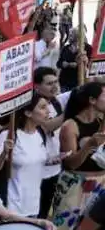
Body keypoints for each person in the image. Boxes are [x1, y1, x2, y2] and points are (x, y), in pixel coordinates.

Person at [53, 82, 105, 230]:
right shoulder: (70, 126)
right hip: (74, 183)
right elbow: (71, 162)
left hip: (100, 182)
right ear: (92, 101)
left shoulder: (102, 121)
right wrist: (90, 146)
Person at [0, 95, 52, 217]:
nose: (48, 111)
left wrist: (55, 159)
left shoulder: (40, 133)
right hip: (11, 207)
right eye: (43, 107)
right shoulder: (8, 135)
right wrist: (4, 154)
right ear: (28, 112)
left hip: (33, 206)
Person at [34, 67, 68, 218]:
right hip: (38, 172)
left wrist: (85, 65)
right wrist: (69, 112)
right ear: (36, 86)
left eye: (56, 82)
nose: (54, 86)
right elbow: (47, 126)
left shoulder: (56, 101)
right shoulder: (31, 106)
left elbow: (84, 89)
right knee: (38, 214)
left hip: (56, 169)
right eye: (49, 84)